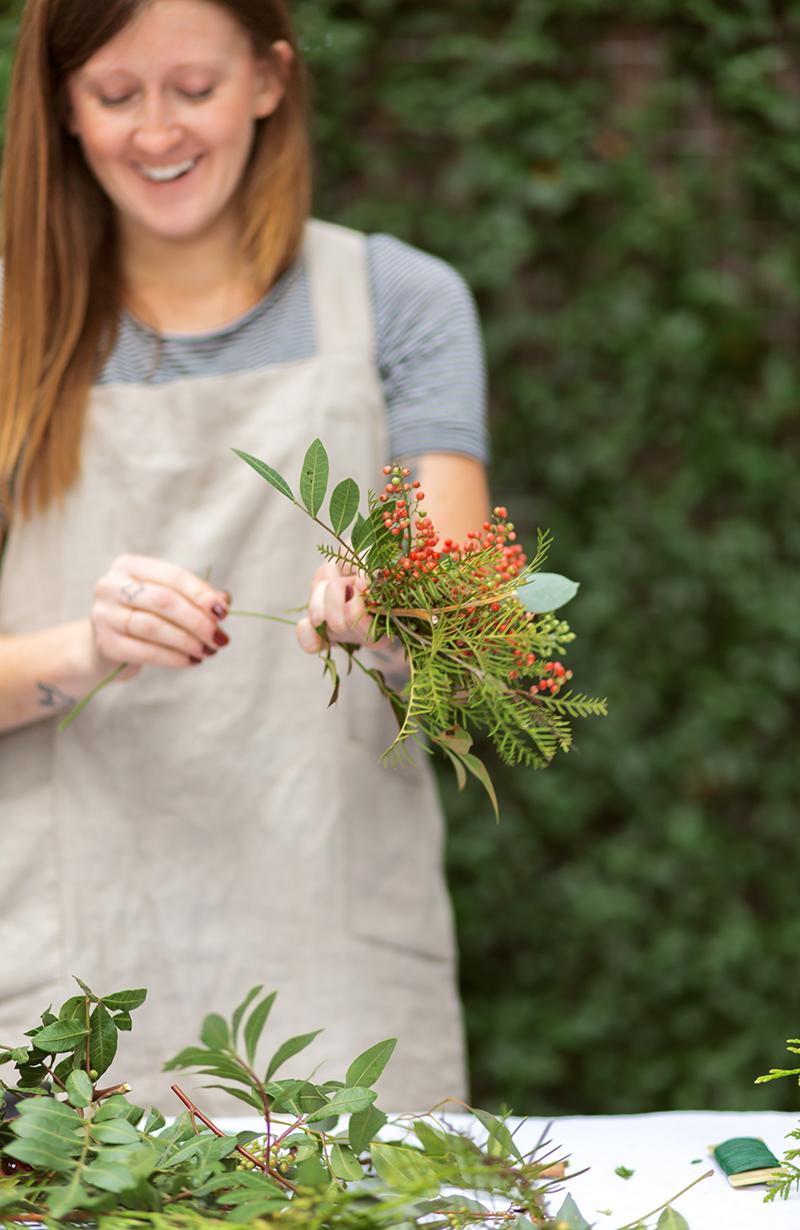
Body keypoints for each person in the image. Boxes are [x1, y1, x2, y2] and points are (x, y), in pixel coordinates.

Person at [0, 0, 490, 1114]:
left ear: (270, 80)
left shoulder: (401, 307)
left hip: (340, 981)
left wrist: (397, 619)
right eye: (116, 95)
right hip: (61, 978)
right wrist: (86, 646)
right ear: (64, 109)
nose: (158, 131)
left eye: (195, 88)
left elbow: (478, 669)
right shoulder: (6, 324)